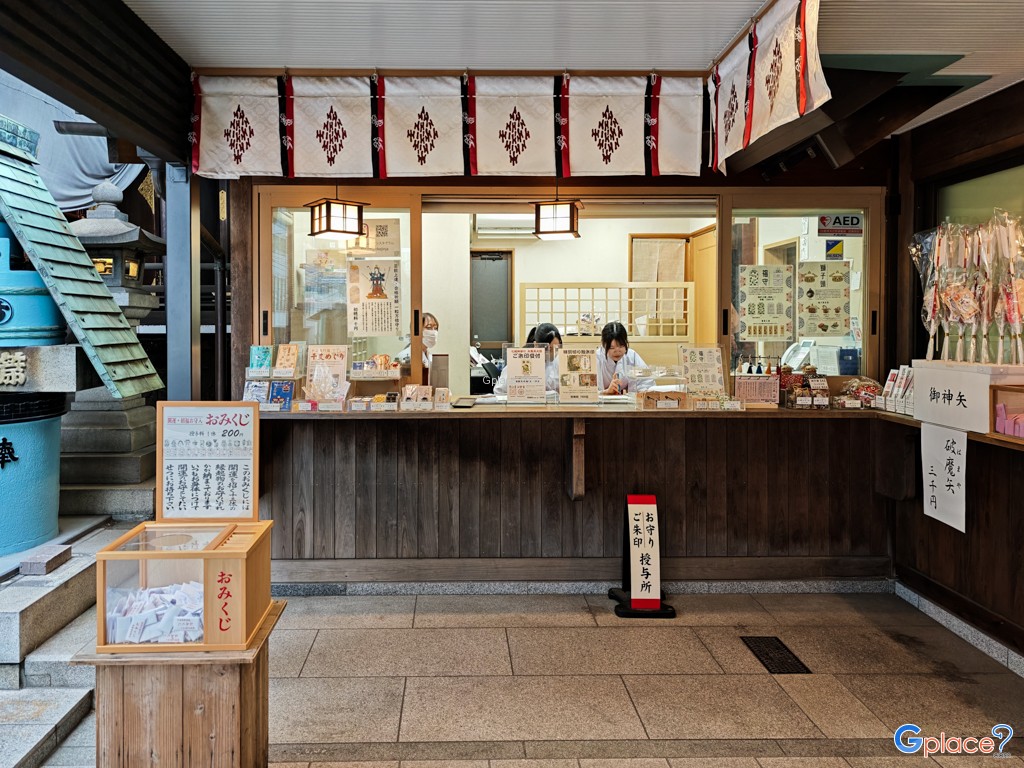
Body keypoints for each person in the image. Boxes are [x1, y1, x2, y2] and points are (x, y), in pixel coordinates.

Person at [493, 322, 562, 395]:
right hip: (522, 404)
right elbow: (499, 391)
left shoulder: (558, 361)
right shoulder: (520, 361)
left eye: (556, 349)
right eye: (550, 349)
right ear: (536, 345)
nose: (554, 353)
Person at [596, 321, 651, 394]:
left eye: (621, 346)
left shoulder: (631, 356)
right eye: (612, 348)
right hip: (602, 402)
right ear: (603, 345)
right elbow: (589, 392)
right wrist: (606, 392)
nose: (617, 351)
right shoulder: (596, 358)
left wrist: (637, 392)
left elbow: (646, 381)